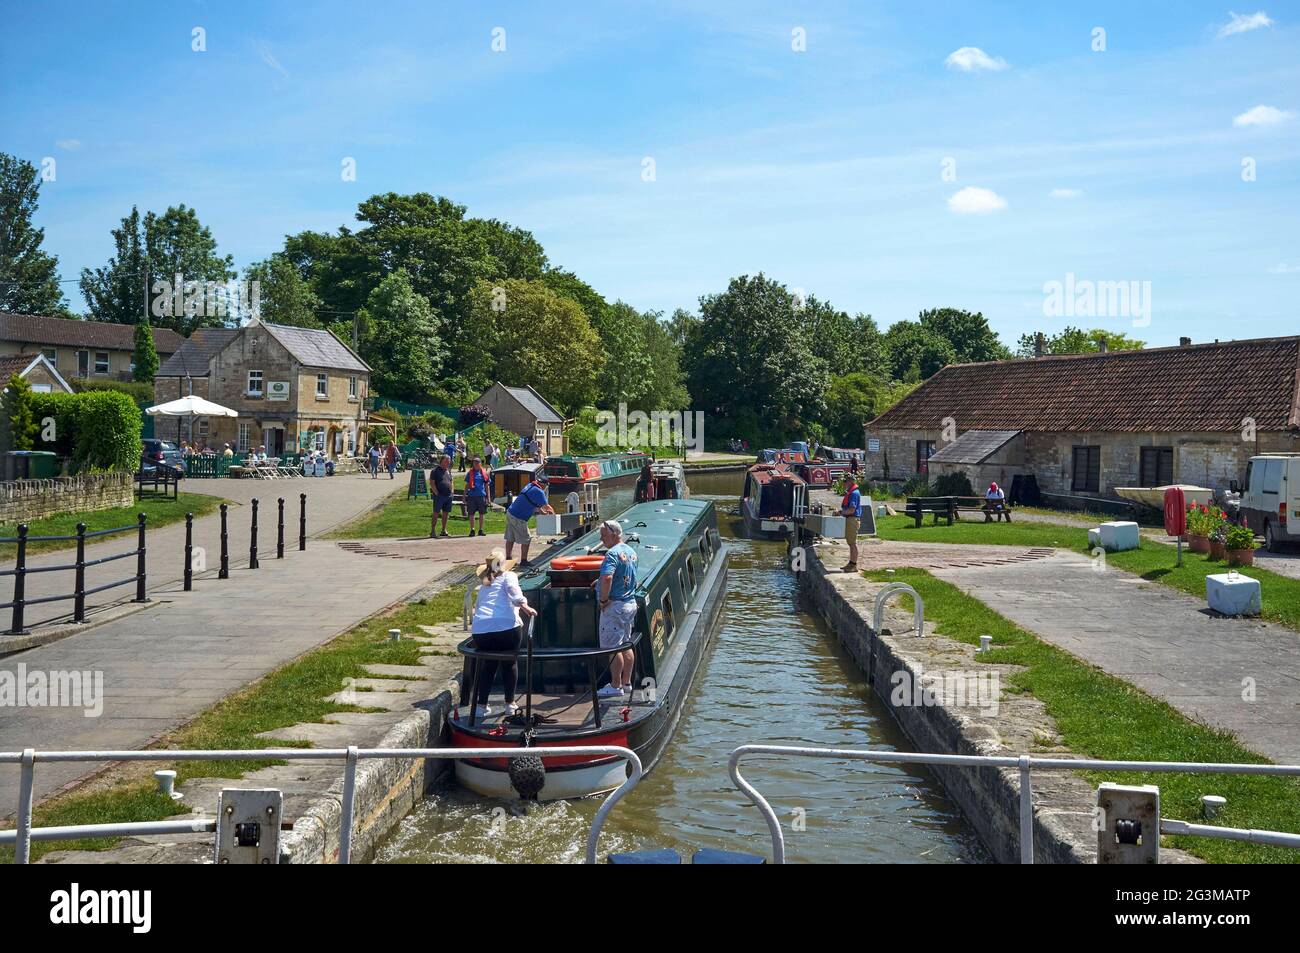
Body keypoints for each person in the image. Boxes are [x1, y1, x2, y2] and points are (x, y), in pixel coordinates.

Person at [461, 550, 538, 719]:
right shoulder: (509, 576)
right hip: (506, 628)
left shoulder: (484, 584)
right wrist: (526, 607)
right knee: (509, 663)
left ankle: (482, 705)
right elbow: (514, 592)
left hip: (481, 631)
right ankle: (510, 703)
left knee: (488, 665)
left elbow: (479, 607)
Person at [595, 520, 639, 698]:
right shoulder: (631, 551)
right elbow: (627, 576)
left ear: (614, 534)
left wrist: (603, 600)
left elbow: (607, 577)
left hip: (615, 606)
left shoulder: (612, 554)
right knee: (626, 644)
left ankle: (615, 685)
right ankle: (627, 682)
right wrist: (598, 582)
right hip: (630, 603)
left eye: (604, 535)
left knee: (612, 648)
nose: (601, 538)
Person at [504, 471, 553, 566]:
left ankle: (508, 557)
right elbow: (548, 507)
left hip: (510, 512)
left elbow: (532, 501)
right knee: (527, 538)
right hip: (519, 517)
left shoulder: (531, 485)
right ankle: (524, 561)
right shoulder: (539, 492)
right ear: (544, 485)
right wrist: (554, 518)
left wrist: (541, 512)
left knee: (510, 537)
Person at [840, 474, 862, 573]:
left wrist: (841, 512)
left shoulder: (854, 493)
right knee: (850, 542)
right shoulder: (852, 492)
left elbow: (852, 510)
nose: (844, 484)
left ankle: (853, 565)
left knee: (852, 543)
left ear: (850, 482)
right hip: (850, 519)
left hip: (852, 519)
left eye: (845, 482)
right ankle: (851, 563)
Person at [463, 456, 490, 537]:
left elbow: (487, 486)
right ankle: (472, 530)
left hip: (481, 496)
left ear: (480, 463)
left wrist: (488, 498)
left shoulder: (484, 472)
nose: (476, 464)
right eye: (474, 462)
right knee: (471, 513)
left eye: (477, 462)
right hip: (471, 496)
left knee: (482, 513)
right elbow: (467, 485)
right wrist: (464, 496)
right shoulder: (470, 473)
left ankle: (481, 530)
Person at [430, 454, 454, 537]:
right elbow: (432, 483)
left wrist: (452, 491)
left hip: (448, 496)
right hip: (439, 496)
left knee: (446, 513)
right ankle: (433, 531)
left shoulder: (448, 471)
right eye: (447, 461)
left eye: (449, 461)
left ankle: (443, 530)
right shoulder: (435, 471)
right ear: (442, 461)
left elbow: (451, 481)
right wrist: (436, 493)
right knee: (436, 513)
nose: (448, 462)